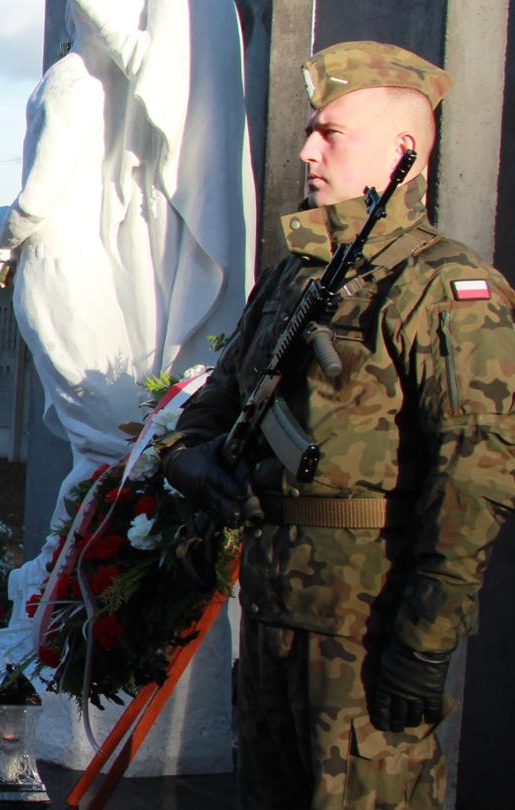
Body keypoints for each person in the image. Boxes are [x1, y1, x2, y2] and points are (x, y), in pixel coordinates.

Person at [160, 42, 512, 810]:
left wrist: (425, 639)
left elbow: (476, 477)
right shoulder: (296, 275)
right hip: (276, 610)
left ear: (402, 152)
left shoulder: (444, 288)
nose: (304, 150)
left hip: (367, 626)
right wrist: (190, 456)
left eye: (330, 132)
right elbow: (216, 400)